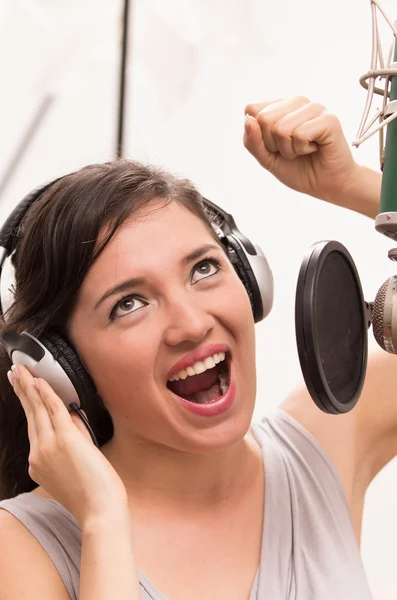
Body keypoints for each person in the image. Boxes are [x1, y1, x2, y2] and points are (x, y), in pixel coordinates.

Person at [0, 96, 390, 600]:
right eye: (129, 303)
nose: (190, 324)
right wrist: (101, 520)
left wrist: (359, 188)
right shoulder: (20, 547)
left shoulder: (324, 444)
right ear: (59, 367)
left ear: (250, 279)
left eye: (203, 269)